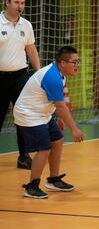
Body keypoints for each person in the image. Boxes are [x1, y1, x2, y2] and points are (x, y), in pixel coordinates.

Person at [14, 46, 84, 199]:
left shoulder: (60, 75)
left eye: (78, 62)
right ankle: (32, 186)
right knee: (45, 148)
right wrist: (74, 129)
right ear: (63, 62)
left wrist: (59, 118)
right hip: (29, 114)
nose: (77, 65)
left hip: (42, 113)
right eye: (75, 62)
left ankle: (53, 180)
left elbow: (58, 101)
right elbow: (60, 106)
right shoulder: (52, 76)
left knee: (57, 141)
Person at [0, 0, 41, 170]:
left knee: (23, 117)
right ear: (7, 3)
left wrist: (39, 74)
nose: (20, 6)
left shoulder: (26, 25)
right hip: (0, 78)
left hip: (20, 76)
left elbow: (31, 50)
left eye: (22, 3)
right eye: (17, 2)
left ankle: (24, 156)